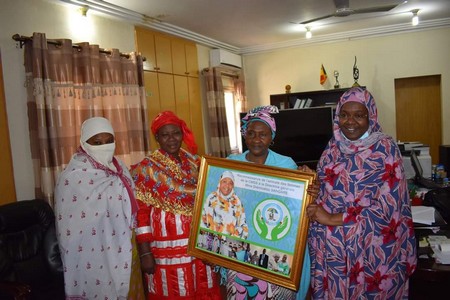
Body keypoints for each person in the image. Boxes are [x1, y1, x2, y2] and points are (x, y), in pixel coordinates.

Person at [306, 87, 417, 299]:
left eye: (359, 115)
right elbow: (332, 189)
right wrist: (315, 186)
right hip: (334, 253)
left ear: (371, 117)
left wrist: (332, 218)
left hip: (370, 253)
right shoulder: (332, 148)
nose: (350, 122)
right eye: (344, 115)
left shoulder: (384, 149)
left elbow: (389, 210)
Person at [130, 111, 221, 299]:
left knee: (203, 286)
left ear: (182, 134)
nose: (171, 139)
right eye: (165, 135)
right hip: (167, 245)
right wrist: (145, 253)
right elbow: (141, 214)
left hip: (199, 242)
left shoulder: (195, 162)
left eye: (176, 133)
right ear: (157, 138)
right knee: (174, 289)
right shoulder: (146, 169)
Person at [225, 105, 311, 300]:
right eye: (252, 134)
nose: (256, 139)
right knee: (243, 292)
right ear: (244, 135)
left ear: (272, 138)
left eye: (263, 134)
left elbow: (294, 206)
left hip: (276, 244)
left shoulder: (286, 164)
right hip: (241, 245)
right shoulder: (231, 163)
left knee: (275, 294)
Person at [54, 117, 144, 299]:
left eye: (109, 141)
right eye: (97, 142)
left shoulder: (120, 167)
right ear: (83, 143)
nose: (104, 146)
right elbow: (70, 228)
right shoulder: (72, 178)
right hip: (92, 253)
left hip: (125, 246)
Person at [201, 170, 249, 239]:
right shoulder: (211, 197)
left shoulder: (237, 202)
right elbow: (202, 219)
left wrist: (233, 236)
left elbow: (243, 226)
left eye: (230, 183)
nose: (227, 185)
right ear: (220, 183)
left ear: (233, 186)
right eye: (224, 181)